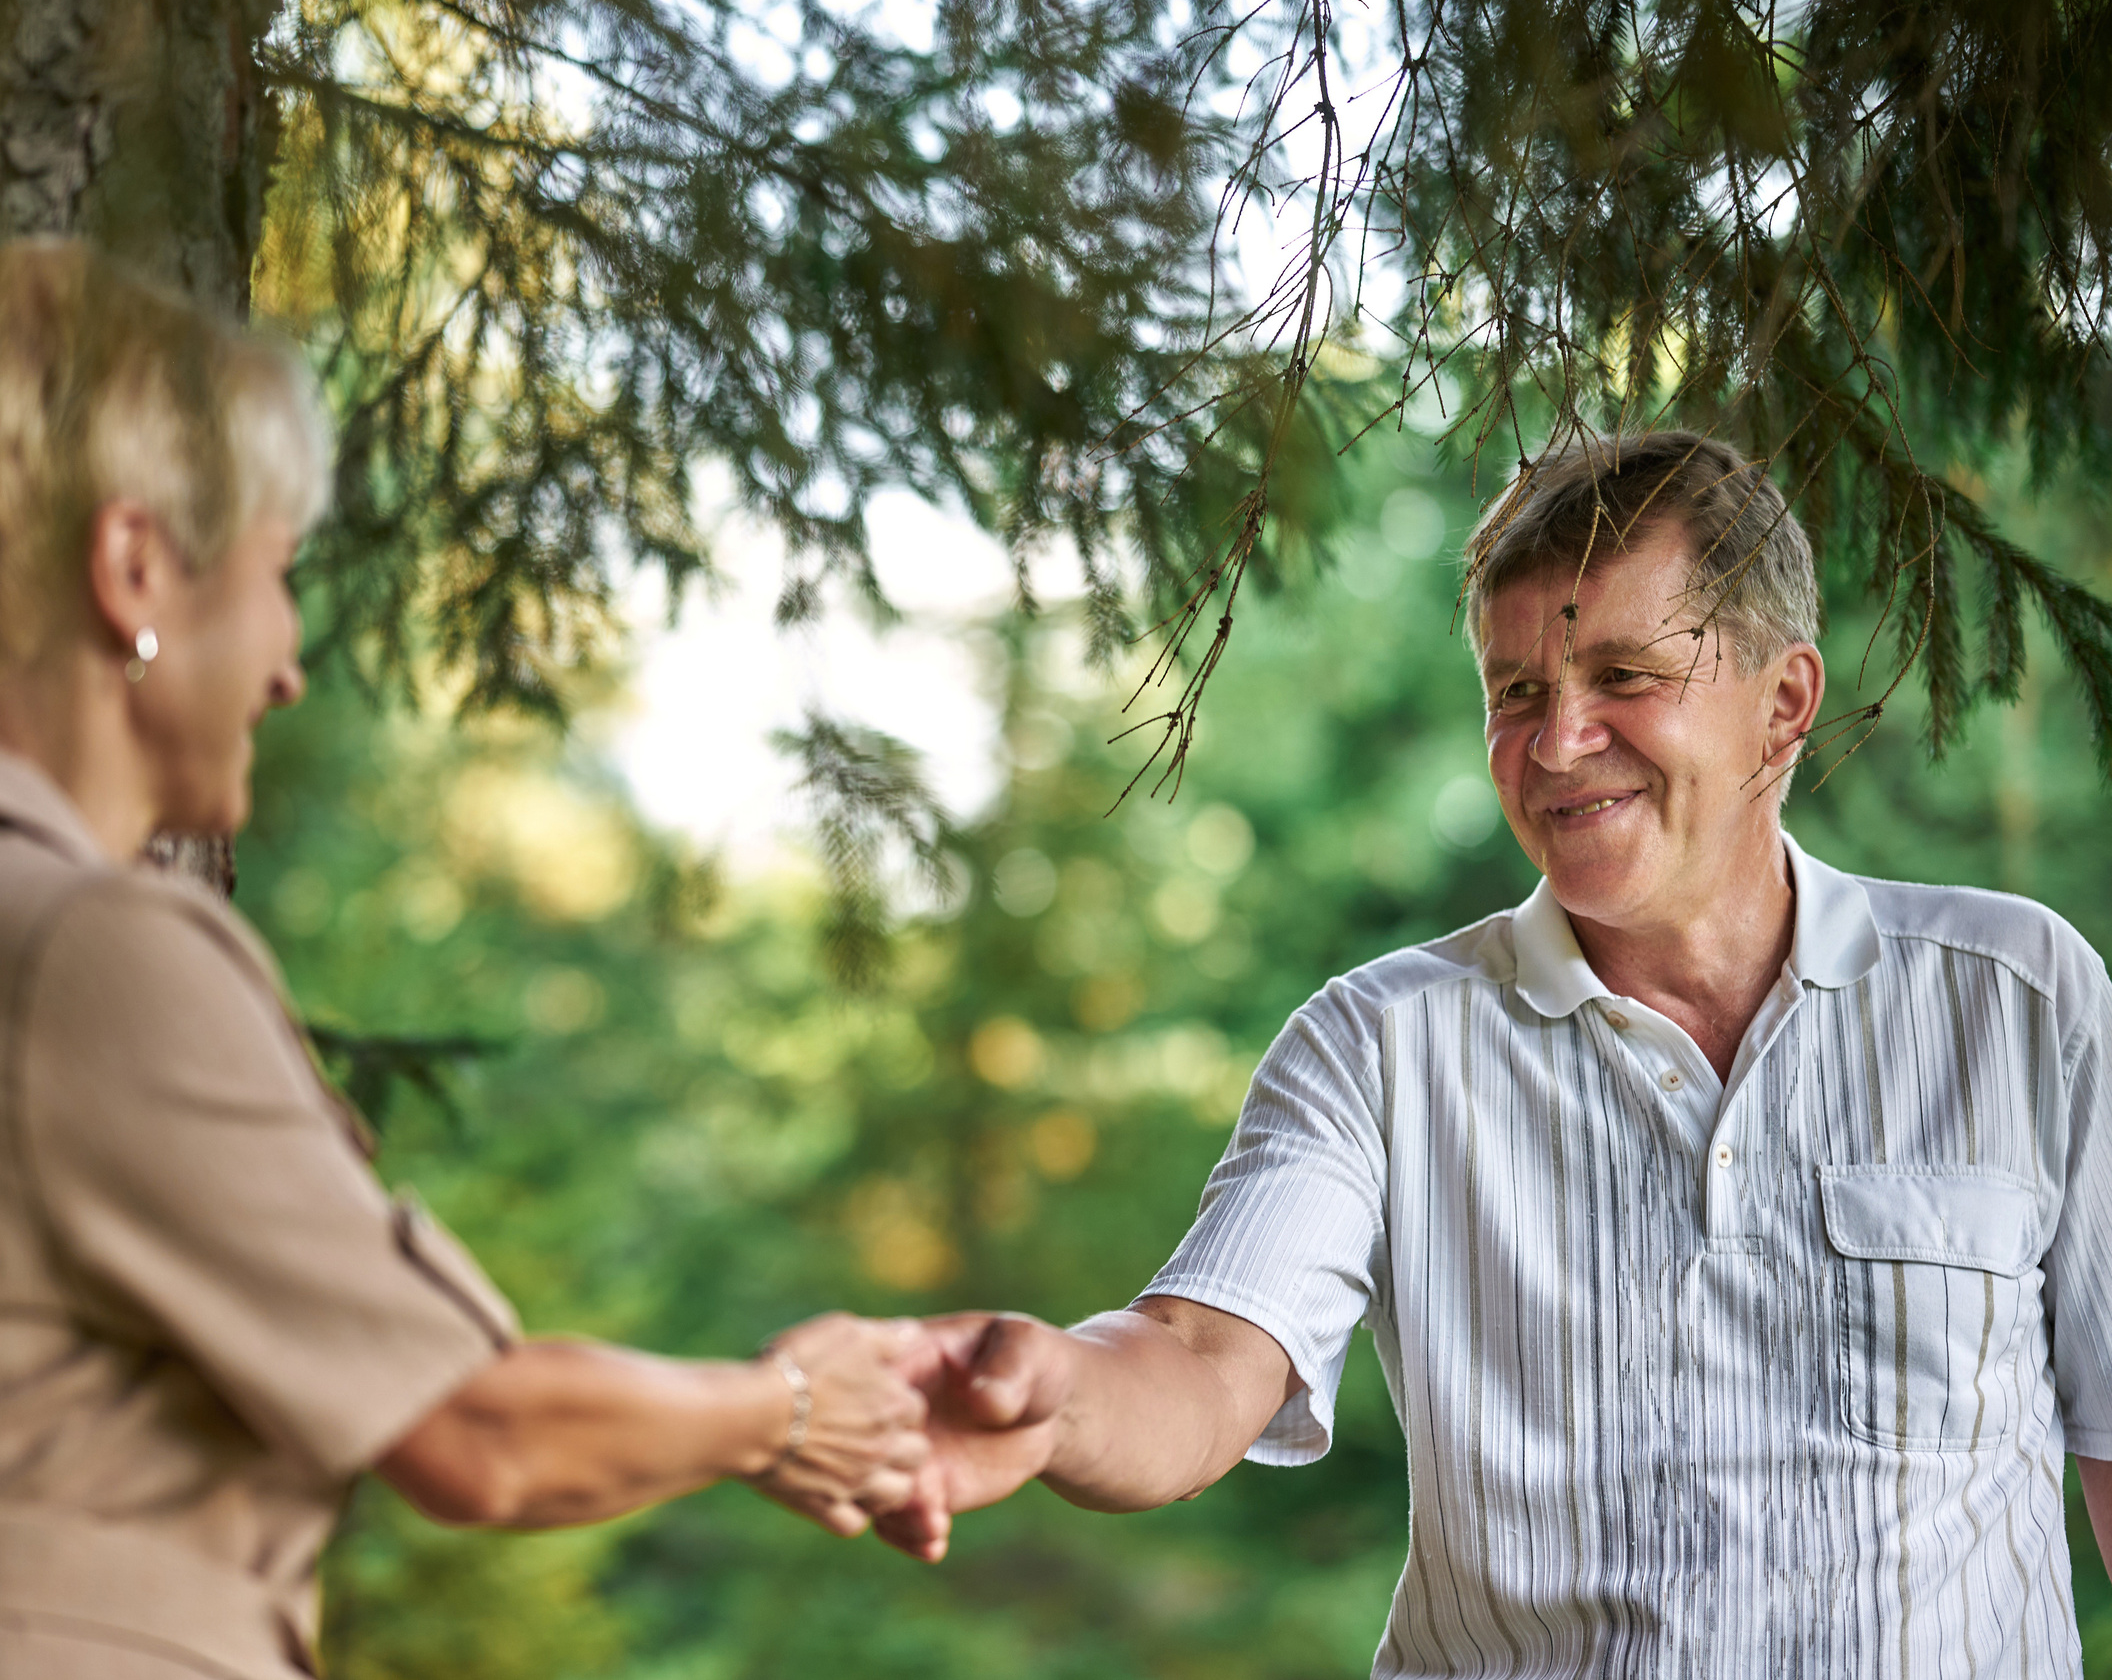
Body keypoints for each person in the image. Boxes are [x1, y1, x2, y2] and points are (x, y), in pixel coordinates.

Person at [0, 239, 934, 1680]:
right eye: (277, 574)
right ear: (134, 568)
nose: (287, 664)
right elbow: (478, 1433)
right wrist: (784, 1409)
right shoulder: (81, 954)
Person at [880, 431, 2112, 1676]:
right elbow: (1200, 1361)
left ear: (1781, 704)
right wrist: (1047, 1397)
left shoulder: (2020, 997)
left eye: (1623, 673)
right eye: (1516, 691)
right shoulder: (1377, 1044)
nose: (1559, 740)